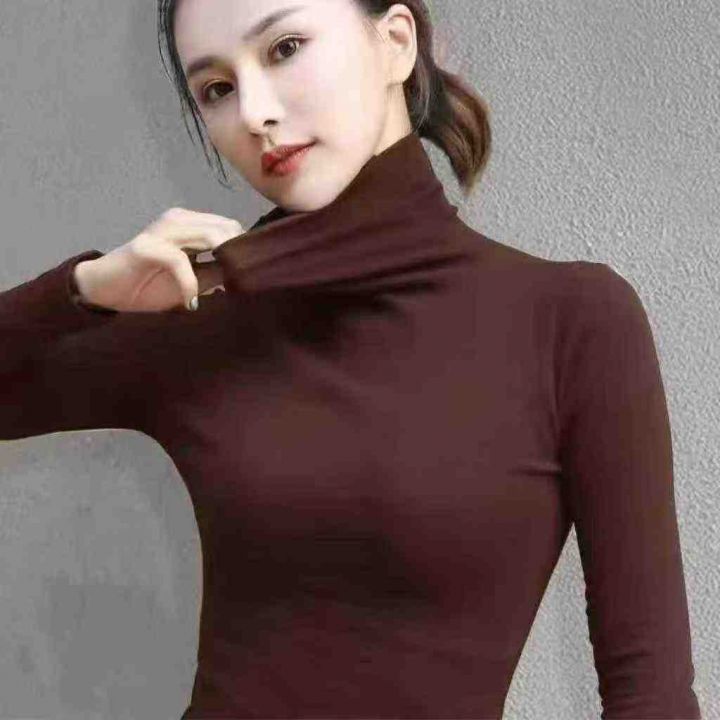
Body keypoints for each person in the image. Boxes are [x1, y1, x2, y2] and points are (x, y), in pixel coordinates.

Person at [1, 0, 701, 718]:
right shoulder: (199, 315)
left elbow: (651, 695)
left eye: (285, 48)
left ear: (395, 41)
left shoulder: (571, 321)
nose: (254, 113)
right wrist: (83, 289)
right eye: (216, 88)